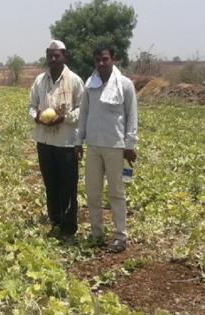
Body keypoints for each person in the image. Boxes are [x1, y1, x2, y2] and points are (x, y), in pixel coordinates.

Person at [75, 44, 138, 253]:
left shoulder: (125, 85)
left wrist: (130, 145)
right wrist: (78, 141)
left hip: (115, 147)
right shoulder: (90, 85)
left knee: (116, 193)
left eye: (105, 59)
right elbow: (83, 114)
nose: (101, 63)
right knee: (92, 193)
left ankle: (120, 236)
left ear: (113, 59)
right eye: (98, 60)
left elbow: (131, 116)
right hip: (93, 146)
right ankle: (97, 233)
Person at [28, 39, 84, 242]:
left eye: (57, 55)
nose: (53, 59)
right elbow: (31, 107)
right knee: (50, 184)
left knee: (68, 186)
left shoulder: (75, 81)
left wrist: (64, 118)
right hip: (44, 141)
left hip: (66, 142)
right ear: (46, 57)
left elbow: (82, 110)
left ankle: (69, 228)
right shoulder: (39, 81)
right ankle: (56, 222)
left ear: (64, 57)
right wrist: (37, 117)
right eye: (50, 55)